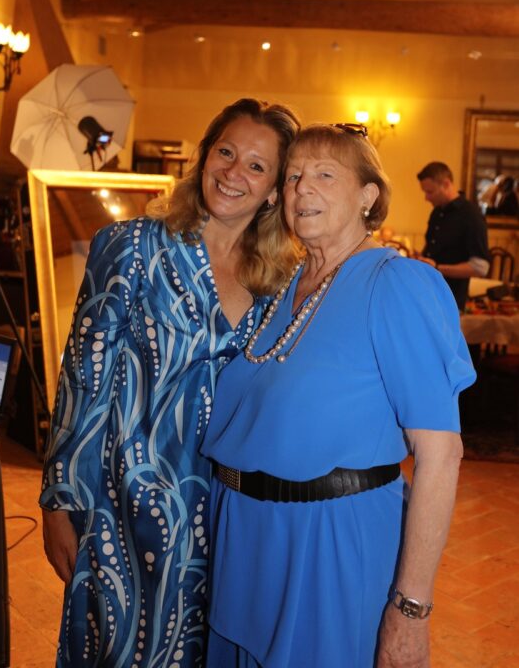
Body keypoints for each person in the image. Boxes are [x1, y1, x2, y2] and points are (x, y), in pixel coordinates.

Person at [201, 124, 476, 668]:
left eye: (325, 175)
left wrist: (411, 609)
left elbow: (441, 455)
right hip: (245, 542)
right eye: (293, 176)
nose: (302, 188)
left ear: (368, 196)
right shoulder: (284, 286)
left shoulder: (395, 283)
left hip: (326, 544)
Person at [39, 98, 300, 667]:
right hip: (121, 510)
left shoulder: (281, 281)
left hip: (227, 516)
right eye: (226, 152)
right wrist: (60, 499)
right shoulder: (132, 246)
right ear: (204, 156)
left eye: (257, 166)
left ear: (274, 191)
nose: (234, 172)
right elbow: (83, 376)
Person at [416, 161, 489, 310]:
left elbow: (481, 267)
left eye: (430, 192)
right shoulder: (437, 212)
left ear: (446, 184)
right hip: (429, 296)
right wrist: (421, 258)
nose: (426, 198)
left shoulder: (471, 215)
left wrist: (438, 267)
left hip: (451, 301)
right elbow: (435, 250)